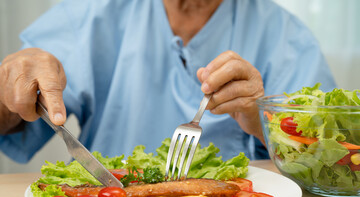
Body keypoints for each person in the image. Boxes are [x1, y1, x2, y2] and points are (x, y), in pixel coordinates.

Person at [0, 0, 336, 164]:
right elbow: (12, 118)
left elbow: (328, 159)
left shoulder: (288, 37)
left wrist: (263, 121)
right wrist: (8, 93)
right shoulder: (90, 14)